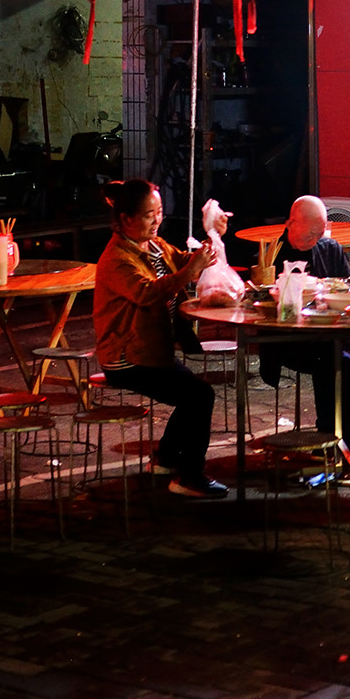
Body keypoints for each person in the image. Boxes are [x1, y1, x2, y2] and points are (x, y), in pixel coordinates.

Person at [92, 179, 227, 499]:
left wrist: (212, 237)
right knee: (199, 396)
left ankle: (166, 459)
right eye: (148, 215)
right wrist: (189, 271)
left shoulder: (154, 245)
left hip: (153, 351)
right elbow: (147, 293)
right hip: (127, 357)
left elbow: (183, 260)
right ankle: (189, 477)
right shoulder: (116, 258)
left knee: (194, 394)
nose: (157, 220)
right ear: (126, 219)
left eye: (160, 211)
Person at [258, 195, 350, 447]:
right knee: (335, 361)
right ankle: (333, 436)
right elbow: (262, 304)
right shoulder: (271, 257)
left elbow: (348, 289)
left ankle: (341, 435)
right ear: (291, 223)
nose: (314, 240)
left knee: (339, 359)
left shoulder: (330, 249)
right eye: (310, 234)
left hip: (327, 334)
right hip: (287, 339)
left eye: (319, 234)